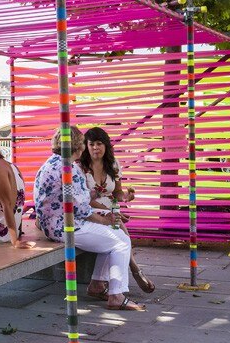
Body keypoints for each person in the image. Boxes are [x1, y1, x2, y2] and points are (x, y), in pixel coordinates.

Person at [32, 126, 147, 311]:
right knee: (121, 241)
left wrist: (100, 208)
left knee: (111, 237)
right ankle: (116, 295)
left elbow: (72, 199)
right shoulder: (70, 169)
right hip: (66, 227)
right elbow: (81, 209)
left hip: (52, 225)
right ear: (79, 146)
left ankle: (98, 285)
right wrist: (105, 220)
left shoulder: (51, 163)